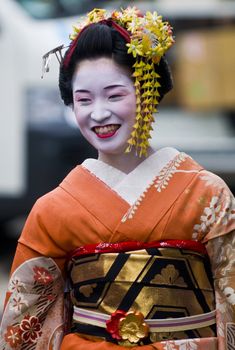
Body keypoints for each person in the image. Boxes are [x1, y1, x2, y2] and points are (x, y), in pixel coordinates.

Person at [1, 7, 235, 350]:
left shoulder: (207, 195)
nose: (98, 113)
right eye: (83, 99)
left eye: (115, 95)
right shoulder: (53, 210)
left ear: (148, 93)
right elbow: (25, 328)